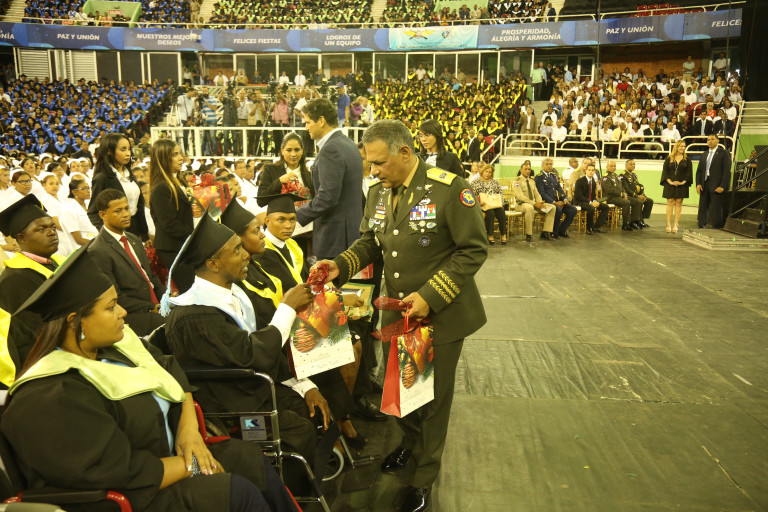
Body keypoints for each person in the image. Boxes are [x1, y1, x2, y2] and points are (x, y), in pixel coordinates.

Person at [2, 246, 301, 512]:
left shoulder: (118, 347)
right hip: (137, 494)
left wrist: (189, 432)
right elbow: (117, 472)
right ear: (75, 322)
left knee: (249, 459)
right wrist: (190, 464)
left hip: (174, 454)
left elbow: (172, 371)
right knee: (236, 492)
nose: (123, 313)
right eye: (111, 307)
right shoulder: (52, 392)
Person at [313, 119, 488, 512]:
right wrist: (340, 264)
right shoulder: (378, 192)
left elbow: (473, 249)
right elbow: (370, 242)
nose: (373, 170)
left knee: (434, 399)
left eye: (379, 163)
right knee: (406, 389)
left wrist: (429, 296)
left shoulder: (449, 189)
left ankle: (424, 477)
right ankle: (409, 445)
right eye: (370, 163)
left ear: (405, 153)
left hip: (441, 314)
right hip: (399, 313)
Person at [0, 195, 64, 387]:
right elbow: (32, 336)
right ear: (21, 238)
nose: (51, 233)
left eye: (52, 227)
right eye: (41, 229)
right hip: (48, 368)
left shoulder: (58, 264)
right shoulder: (14, 279)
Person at [88, 189, 166, 337]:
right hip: (133, 313)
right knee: (174, 322)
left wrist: (166, 297)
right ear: (102, 215)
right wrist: (152, 307)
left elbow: (150, 277)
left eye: (126, 208)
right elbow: (115, 297)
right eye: (118, 211)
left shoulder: (133, 239)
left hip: (155, 304)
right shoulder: (98, 250)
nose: (125, 214)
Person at [296, 98, 363, 260]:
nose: (306, 128)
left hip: (335, 239)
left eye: (308, 122)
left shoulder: (330, 149)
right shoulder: (349, 144)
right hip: (351, 233)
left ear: (321, 121)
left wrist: (296, 216)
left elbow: (327, 197)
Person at [149, 139, 194, 292]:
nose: (181, 158)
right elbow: (169, 224)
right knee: (188, 287)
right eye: (175, 155)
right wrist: (195, 234)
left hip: (183, 243)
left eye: (180, 153)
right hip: (172, 247)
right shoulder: (161, 188)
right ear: (163, 158)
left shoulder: (179, 179)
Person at [88, 133, 148, 241]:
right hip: (117, 231)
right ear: (109, 151)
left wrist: (144, 234)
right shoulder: (102, 178)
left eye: (129, 149)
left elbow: (139, 206)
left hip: (134, 230)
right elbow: (93, 212)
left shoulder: (129, 174)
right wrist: (109, 235)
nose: (128, 153)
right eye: (123, 149)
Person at [535, 157, 577, 238]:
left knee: (573, 210)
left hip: (556, 202)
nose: (549, 166)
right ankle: (554, 232)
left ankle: (562, 230)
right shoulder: (539, 177)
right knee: (558, 209)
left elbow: (559, 188)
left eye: (550, 164)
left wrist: (564, 199)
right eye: (547, 164)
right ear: (542, 166)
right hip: (546, 203)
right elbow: (542, 193)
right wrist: (554, 202)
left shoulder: (553, 176)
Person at [513, 163, 556, 242]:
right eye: (525, 169)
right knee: (529, 208)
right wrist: (534, 204)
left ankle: (545, 232)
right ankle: (529, 234)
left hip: (534, 204)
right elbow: (520, 196)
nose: (527, 171)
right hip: (521, 205)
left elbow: (537, 194)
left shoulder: (532, 181)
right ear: (521, 170)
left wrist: (540, 203)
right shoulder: (517, 181)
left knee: (552, 208)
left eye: (529, 169)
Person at [695, 134, 731, 229]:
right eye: (708, 140)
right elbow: (699, 171)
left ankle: (717, 227)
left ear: (718, 140)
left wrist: (722, 186)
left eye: (712, 139)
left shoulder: (723, 153)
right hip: (704, 184)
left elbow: (727, 171)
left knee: (716, 208)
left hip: (717, 185)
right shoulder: (704, 154)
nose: (710, 141)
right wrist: (698, 184)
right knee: (703, 206)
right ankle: (701, 225)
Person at [660, 140, 693, 233]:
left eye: (684, 146)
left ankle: (675, 223)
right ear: (676, 147)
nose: (683, 148)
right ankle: (668, 223)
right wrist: (670, 182)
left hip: (682, 184)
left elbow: (689, 173)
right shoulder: (669, 159)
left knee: (679, 202)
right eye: (681, 146)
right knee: (670, 202)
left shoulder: (687, 160)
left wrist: (682, 182)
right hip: (669, 183)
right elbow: (665, 172)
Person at [602, 160, 643, 231]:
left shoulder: (615, 176)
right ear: (606, 167)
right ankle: (625, 224)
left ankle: (633, 222)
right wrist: (622, 195)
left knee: (637, 201)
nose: (613, 167)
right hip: (610, 198)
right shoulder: (605, 178)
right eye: (611, 166)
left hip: (619, 197)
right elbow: (610, 190)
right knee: (626, 202)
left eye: (614, 166)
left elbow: (622, 187)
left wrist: (624, 193)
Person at [471, 164, 507, 245]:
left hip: (495, 204)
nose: (488, 174)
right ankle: (490, 235)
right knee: (490, 212)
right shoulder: (475, 182)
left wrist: (501, 202)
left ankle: (503, 234)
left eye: (490, 172)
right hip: (483, 205)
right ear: (482, 172)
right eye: (486, 172)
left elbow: (501, 193)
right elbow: (472, 195)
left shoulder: (495, 182)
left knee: (501, 211)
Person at [59, 177, 98, 250]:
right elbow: (78, 239)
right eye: (84, 189)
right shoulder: (69, 210)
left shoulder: (89, 206)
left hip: (94, 242)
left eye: (88, 188)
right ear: (74, 192)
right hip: (83, 249)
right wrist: (99, 244)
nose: (88, 191)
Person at [573, 164, 609, 234]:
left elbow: (593, 195)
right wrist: (590, 202)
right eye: (589, 170)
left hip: (589, 201)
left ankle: (597, 226)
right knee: (591, 208)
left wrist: (595, 201)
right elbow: (579, 196)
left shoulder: (593, 181)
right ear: (585, 170)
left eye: (592, 170)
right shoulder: (580, 181)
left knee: (605, 207)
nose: (590, 172)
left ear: (594, 171)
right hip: (579, 201)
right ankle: (589, 228)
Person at [621, 159, 653, 228]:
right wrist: (637, 196)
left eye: (634, 164)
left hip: (636, 195)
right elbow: (627, 190)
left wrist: (642, 195)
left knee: (649, 201)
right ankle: (633, 221)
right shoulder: (623, 176)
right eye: (631, 164)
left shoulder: (634, 175)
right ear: (626, 165)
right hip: (628, 196)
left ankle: (641, 219)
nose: (633, 166)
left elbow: (638, 186)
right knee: (638, 201)